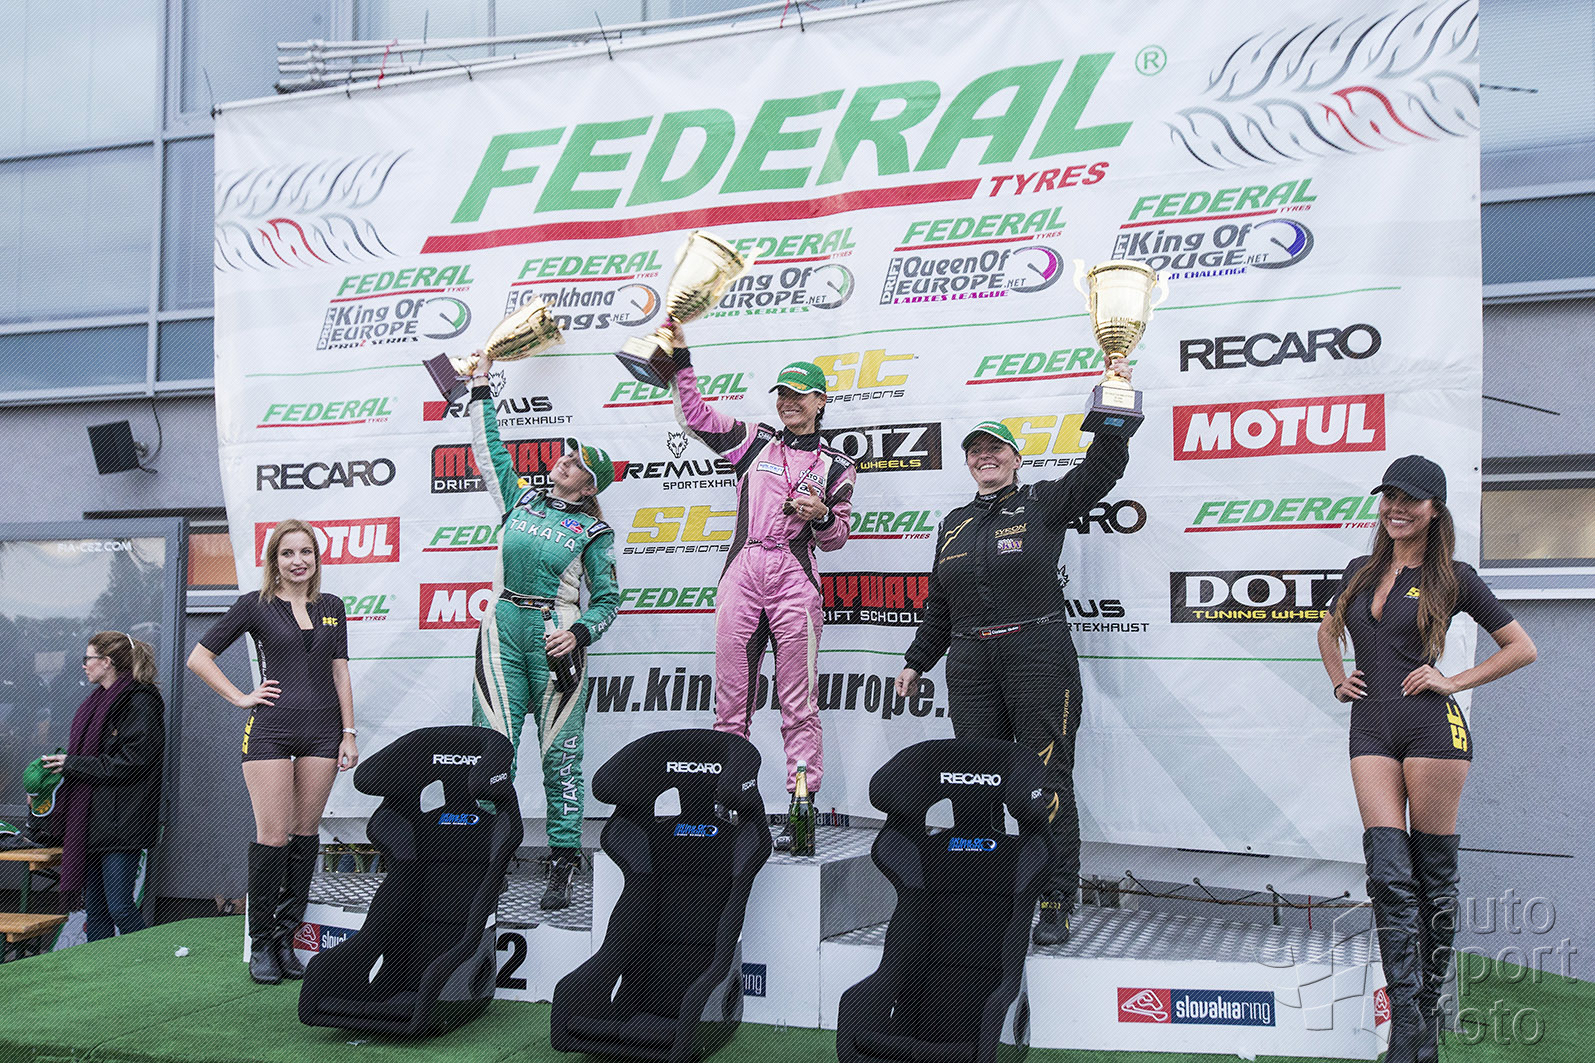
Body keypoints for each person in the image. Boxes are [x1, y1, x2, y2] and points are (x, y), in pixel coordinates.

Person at [895, 360, 1134, 946]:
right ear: (967, 463)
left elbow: (1104, 467)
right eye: (975, 451)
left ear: (1015, 457)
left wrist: (1115, 396)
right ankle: (984, 893)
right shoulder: (953, 525)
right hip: (971, 665)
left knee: (1045, 778)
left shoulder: (1043, 502)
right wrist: (916, 661)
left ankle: (1055, 896)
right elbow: (940, 604)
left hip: (1036, 654)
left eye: (995, 448)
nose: (986, 457)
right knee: (975, 780)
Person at [1317, 455, 1535, 1063]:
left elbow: (1521, 647)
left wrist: (1453, 680)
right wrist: (1338, 679)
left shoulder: (1454, 576)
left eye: (1410, 499)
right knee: (1389, 878)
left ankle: (1418, 1029)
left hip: (1433, 732)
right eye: (1389, 497)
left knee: (1433, 880)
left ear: (1434, 509)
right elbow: (1327, 631)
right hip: (1371, 727)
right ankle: (1412, 1032)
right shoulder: (1361, 570)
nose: (1396, 508)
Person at [668, 325, 856, 849]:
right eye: (782, 394)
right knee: (730, 704)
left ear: (821, 401)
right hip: (743, 573)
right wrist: (682, 359)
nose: (789, 403)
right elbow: (694, 416)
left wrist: (821, 516)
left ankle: (802, 810)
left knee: (799, 704)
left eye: (800, 395)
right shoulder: (753, 442)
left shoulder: (837, 466)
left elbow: (837, 539)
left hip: (796, 580)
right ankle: (726, 807)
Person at [466, 348, 619, 910]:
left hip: (557, 642)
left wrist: (579, 635)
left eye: (574, 463)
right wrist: (482, 386)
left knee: (560, 757)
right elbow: (490, 451)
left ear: (588, 485)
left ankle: (563, 860)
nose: (563, 462)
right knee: (490, 751)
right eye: (564, 456)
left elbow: (609, 602)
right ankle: (489, 858)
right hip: (502, 629)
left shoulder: (595, 533)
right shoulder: (521, 500)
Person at [188, 519, 358, 984]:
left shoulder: (332, 606)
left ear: (316, 559)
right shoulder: (255, 605)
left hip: (323, 733)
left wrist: (348, 732)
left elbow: (340, 671)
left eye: (306, 552)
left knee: (305, 835)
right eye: (288, 553)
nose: (298, 561)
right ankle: (261, 942)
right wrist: (241, 696)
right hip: (270, 733)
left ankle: (286, 939)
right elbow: (199, 658)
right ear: (274, 561)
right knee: (274, 836)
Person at [39, 632, 164, 942]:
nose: (84, 665)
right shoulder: (97, 702)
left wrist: (72, 764)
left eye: (88, 658)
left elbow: (134, 762)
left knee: (120, 907)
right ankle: (101, 971)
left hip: (122, 823)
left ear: (107, 662)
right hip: (93, 822)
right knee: (95, 912)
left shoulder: (140, 700)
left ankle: (152, 963)